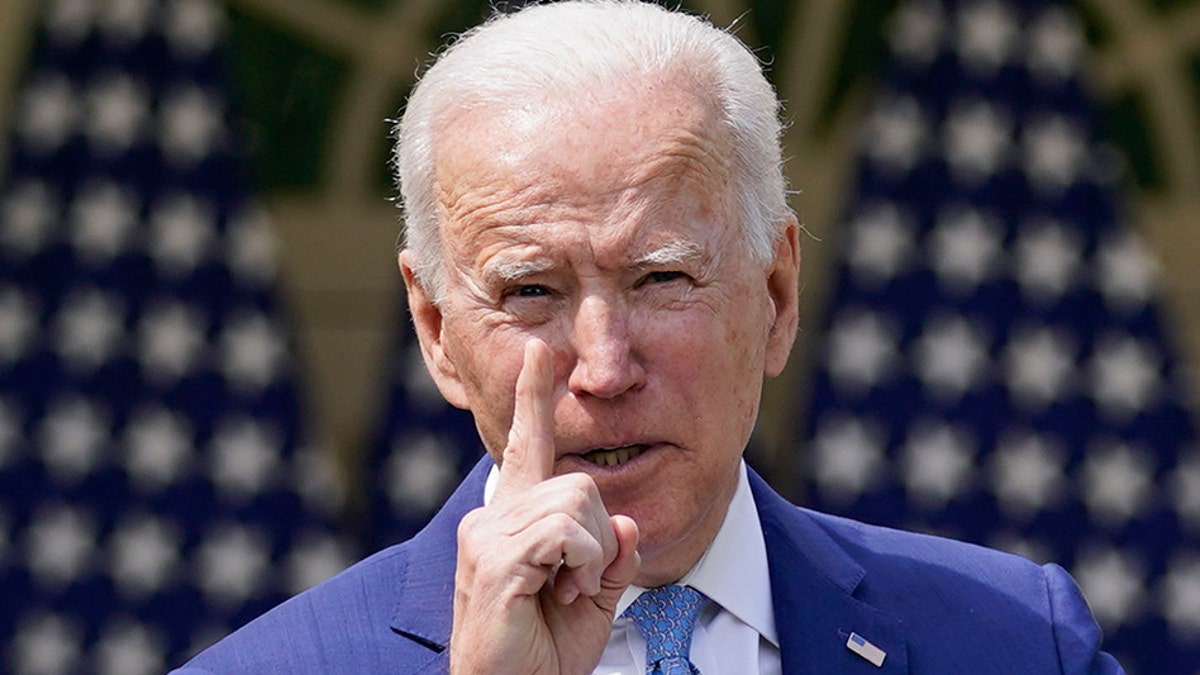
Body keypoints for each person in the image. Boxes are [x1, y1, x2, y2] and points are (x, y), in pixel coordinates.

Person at [173, 1, 1124, 673]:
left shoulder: (1016, 641)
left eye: (661, 278)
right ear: (435, 330)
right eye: (532, 290)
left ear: (778, 293)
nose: (604, 366)